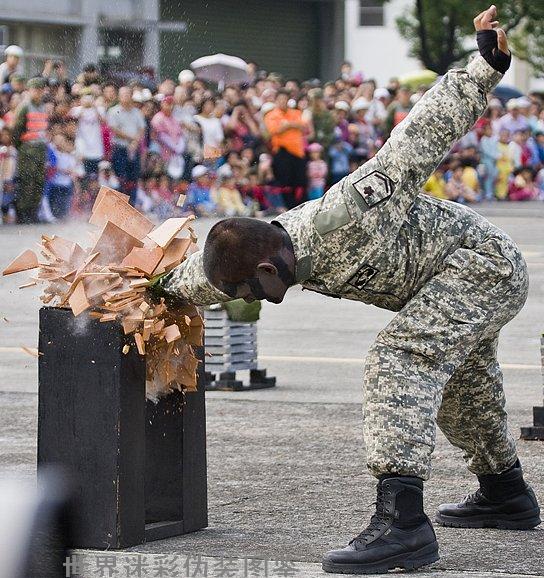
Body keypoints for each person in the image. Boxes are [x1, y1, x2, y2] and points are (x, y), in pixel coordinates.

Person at [152, 8, 540, 575]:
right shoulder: (266, 253)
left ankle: (402, 521)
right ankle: (505, 491)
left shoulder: (350, 209)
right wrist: (150, 291)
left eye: (250, 291)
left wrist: (484, 66)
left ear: (267, 266)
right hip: (442, 283)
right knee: (465, 387)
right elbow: (201, 279)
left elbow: (420, 134)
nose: (251, 300)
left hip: (482, 266)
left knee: (401, 357)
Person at [12, 77, 49, 223]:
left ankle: (33, 211)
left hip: (40, 148)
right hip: (27, 149)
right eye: (36, 89)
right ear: (30, 90)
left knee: (38, 181)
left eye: (40, 90)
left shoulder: (43, 106)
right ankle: (23, 213)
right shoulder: (24, 106)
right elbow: (17, 131)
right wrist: (21, 148)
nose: (38, 92)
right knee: (27, 181)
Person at [264, 89, 307, 208]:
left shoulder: (296, 112)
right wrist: (292, 125)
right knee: (284, 182)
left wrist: (286, 125)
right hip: (282, 152)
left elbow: (303, 125)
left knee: (300, 181)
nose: (283, 101)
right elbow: (274, 130)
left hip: (298, 153)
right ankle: (286, 207)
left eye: (285, 99)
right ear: (276, 101)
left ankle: (299, 206)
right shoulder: (271, 115)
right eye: (280, 99)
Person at [107, 86, 146, 204]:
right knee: (120, 177)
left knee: (133, 177)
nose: (125, 97)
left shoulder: (137, 112)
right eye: (123, 94)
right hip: (120, 148)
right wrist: (131, 138)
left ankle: (131, 204)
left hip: (134, 148)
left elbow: (142, 129)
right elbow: (114, 129)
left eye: (127, 94)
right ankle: (120, 205)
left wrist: (135, 141)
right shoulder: (113, 111)